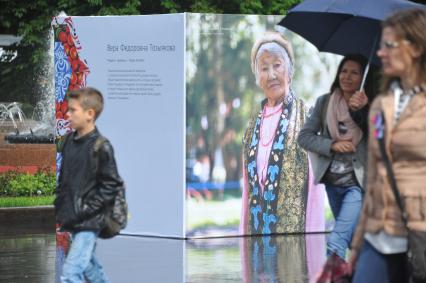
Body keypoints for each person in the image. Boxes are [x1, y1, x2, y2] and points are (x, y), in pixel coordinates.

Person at [350, 8, 426, 283]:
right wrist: (357, 246)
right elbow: (373, 179)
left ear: (416, 48)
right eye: (381, 45)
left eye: (390, 45)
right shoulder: (380, 106)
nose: (381, 53)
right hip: (379, 237)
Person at [241, 31, 325, 235]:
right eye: (264, 68)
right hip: (257, 245)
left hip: (295, 247)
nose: (271, 75)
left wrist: (313, 248)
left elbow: (316, 192)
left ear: (290, 70)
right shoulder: (252, 127)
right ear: (257, 78)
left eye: (277, 65)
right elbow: (247, 193)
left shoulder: (308, 119)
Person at [298, 54, 373, 261]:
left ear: (363, 78)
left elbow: (377, 135)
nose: (347, 76)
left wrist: (364, 110)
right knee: (354, 241)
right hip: (332, 183)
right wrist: (332, 144)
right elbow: (304, 137)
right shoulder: (325, 102)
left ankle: (331, 274)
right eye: (344, 71)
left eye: (354, 72)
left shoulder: (371, 105)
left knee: (337, 240)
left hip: (356, 186)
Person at [54, 87, 123, 283]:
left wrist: (88, 209)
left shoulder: (101, 146)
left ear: (90, 114)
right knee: (92, 271)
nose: (67, 114)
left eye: (72, 110)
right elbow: (64, 180)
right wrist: (61, 205)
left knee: (70, 274)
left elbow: (112, 185)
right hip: (73, 218)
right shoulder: (68, 141)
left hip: (89, 221)